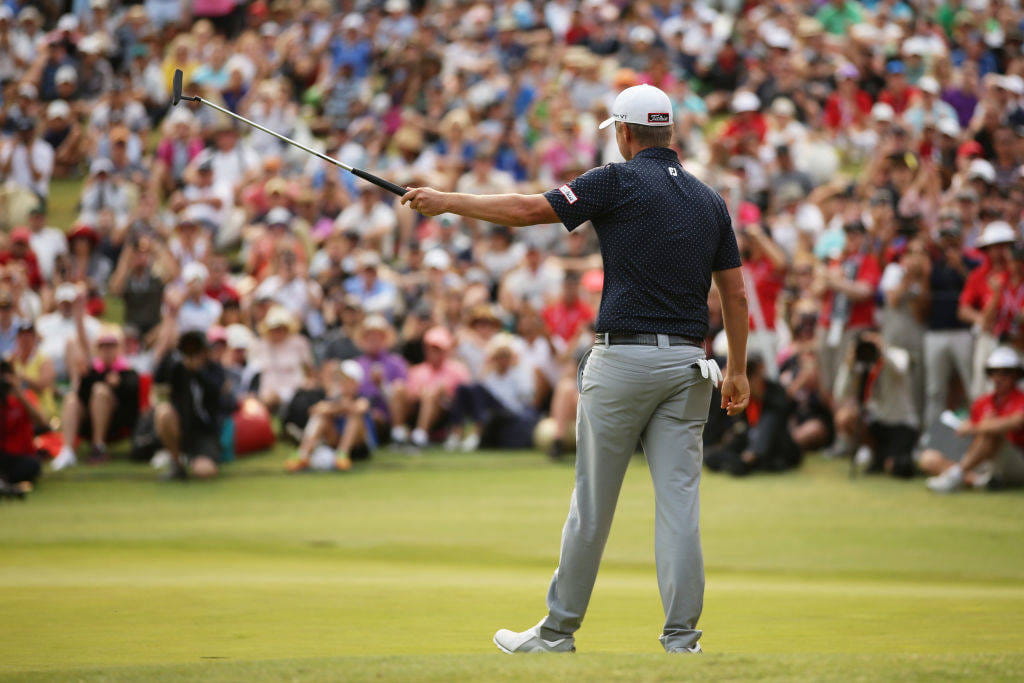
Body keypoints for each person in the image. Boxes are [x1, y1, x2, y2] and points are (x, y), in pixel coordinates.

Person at [401, 84, 749, 654]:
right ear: (670, 132)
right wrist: (737, 369)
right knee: (679, 506)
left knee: (592, 505)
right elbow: (734, 296)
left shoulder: (613, 179)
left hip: (622, 361)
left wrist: (446, 200)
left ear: (626, 133)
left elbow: (527, 210)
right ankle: (683, 640)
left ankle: (558, 633)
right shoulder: (710, 199)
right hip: (691, 365)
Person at [921, 347, 1024, 493]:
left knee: (992, 432)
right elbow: (966, 428)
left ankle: (956, 475)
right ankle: (977, 481)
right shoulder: (982, 402)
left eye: (1006, 372)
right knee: (928, 458)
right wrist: (978, 426)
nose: (999, 377)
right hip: (983, 459)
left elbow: (1017, 422)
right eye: (994, 371)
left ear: (1016, 375)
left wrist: (981, 426)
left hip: (1014, 461)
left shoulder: (1021, 399)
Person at [153, 330, 235, 480]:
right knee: (163, 411)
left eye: (196, 349)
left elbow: (218, 394)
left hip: (205, 432)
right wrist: (169, 352)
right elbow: (158, 379)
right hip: (182, 427)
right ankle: (177, 464)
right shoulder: (177, 368)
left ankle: (198, 459)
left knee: (204, 472)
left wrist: (197, 372)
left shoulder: (214, 370)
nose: (193, 354)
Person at [287, 360, 373, 472]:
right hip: (335, 441)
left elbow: (360, 408)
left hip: (359, 446)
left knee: (354, 417)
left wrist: (338, 407)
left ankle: (343, 454)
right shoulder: (334, 398)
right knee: (321, 417)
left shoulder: (362, 398)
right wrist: (338, 407)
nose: (342, 383)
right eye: (341, 379)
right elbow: (316, 410)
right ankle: (303, 454)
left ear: (356, 382)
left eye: (347, 380)